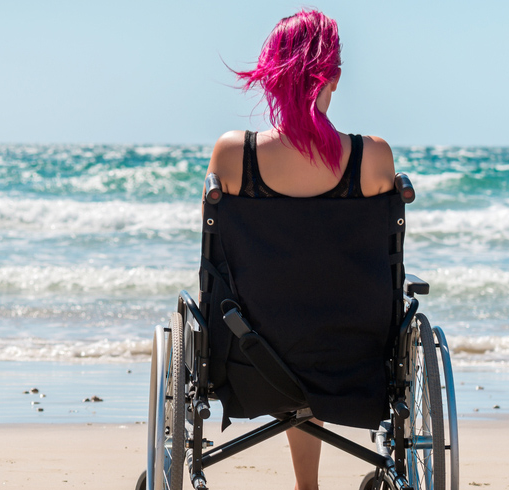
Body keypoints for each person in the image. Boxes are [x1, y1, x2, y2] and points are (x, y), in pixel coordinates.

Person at [205, 9, 396, 490]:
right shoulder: (373, 158)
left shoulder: (233, 155)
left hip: (250, 356)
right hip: (353, 357)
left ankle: (306, 486)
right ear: (332, 75)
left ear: (270, 72)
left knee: (277, 312)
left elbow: (224, 264)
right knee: (322, 308)